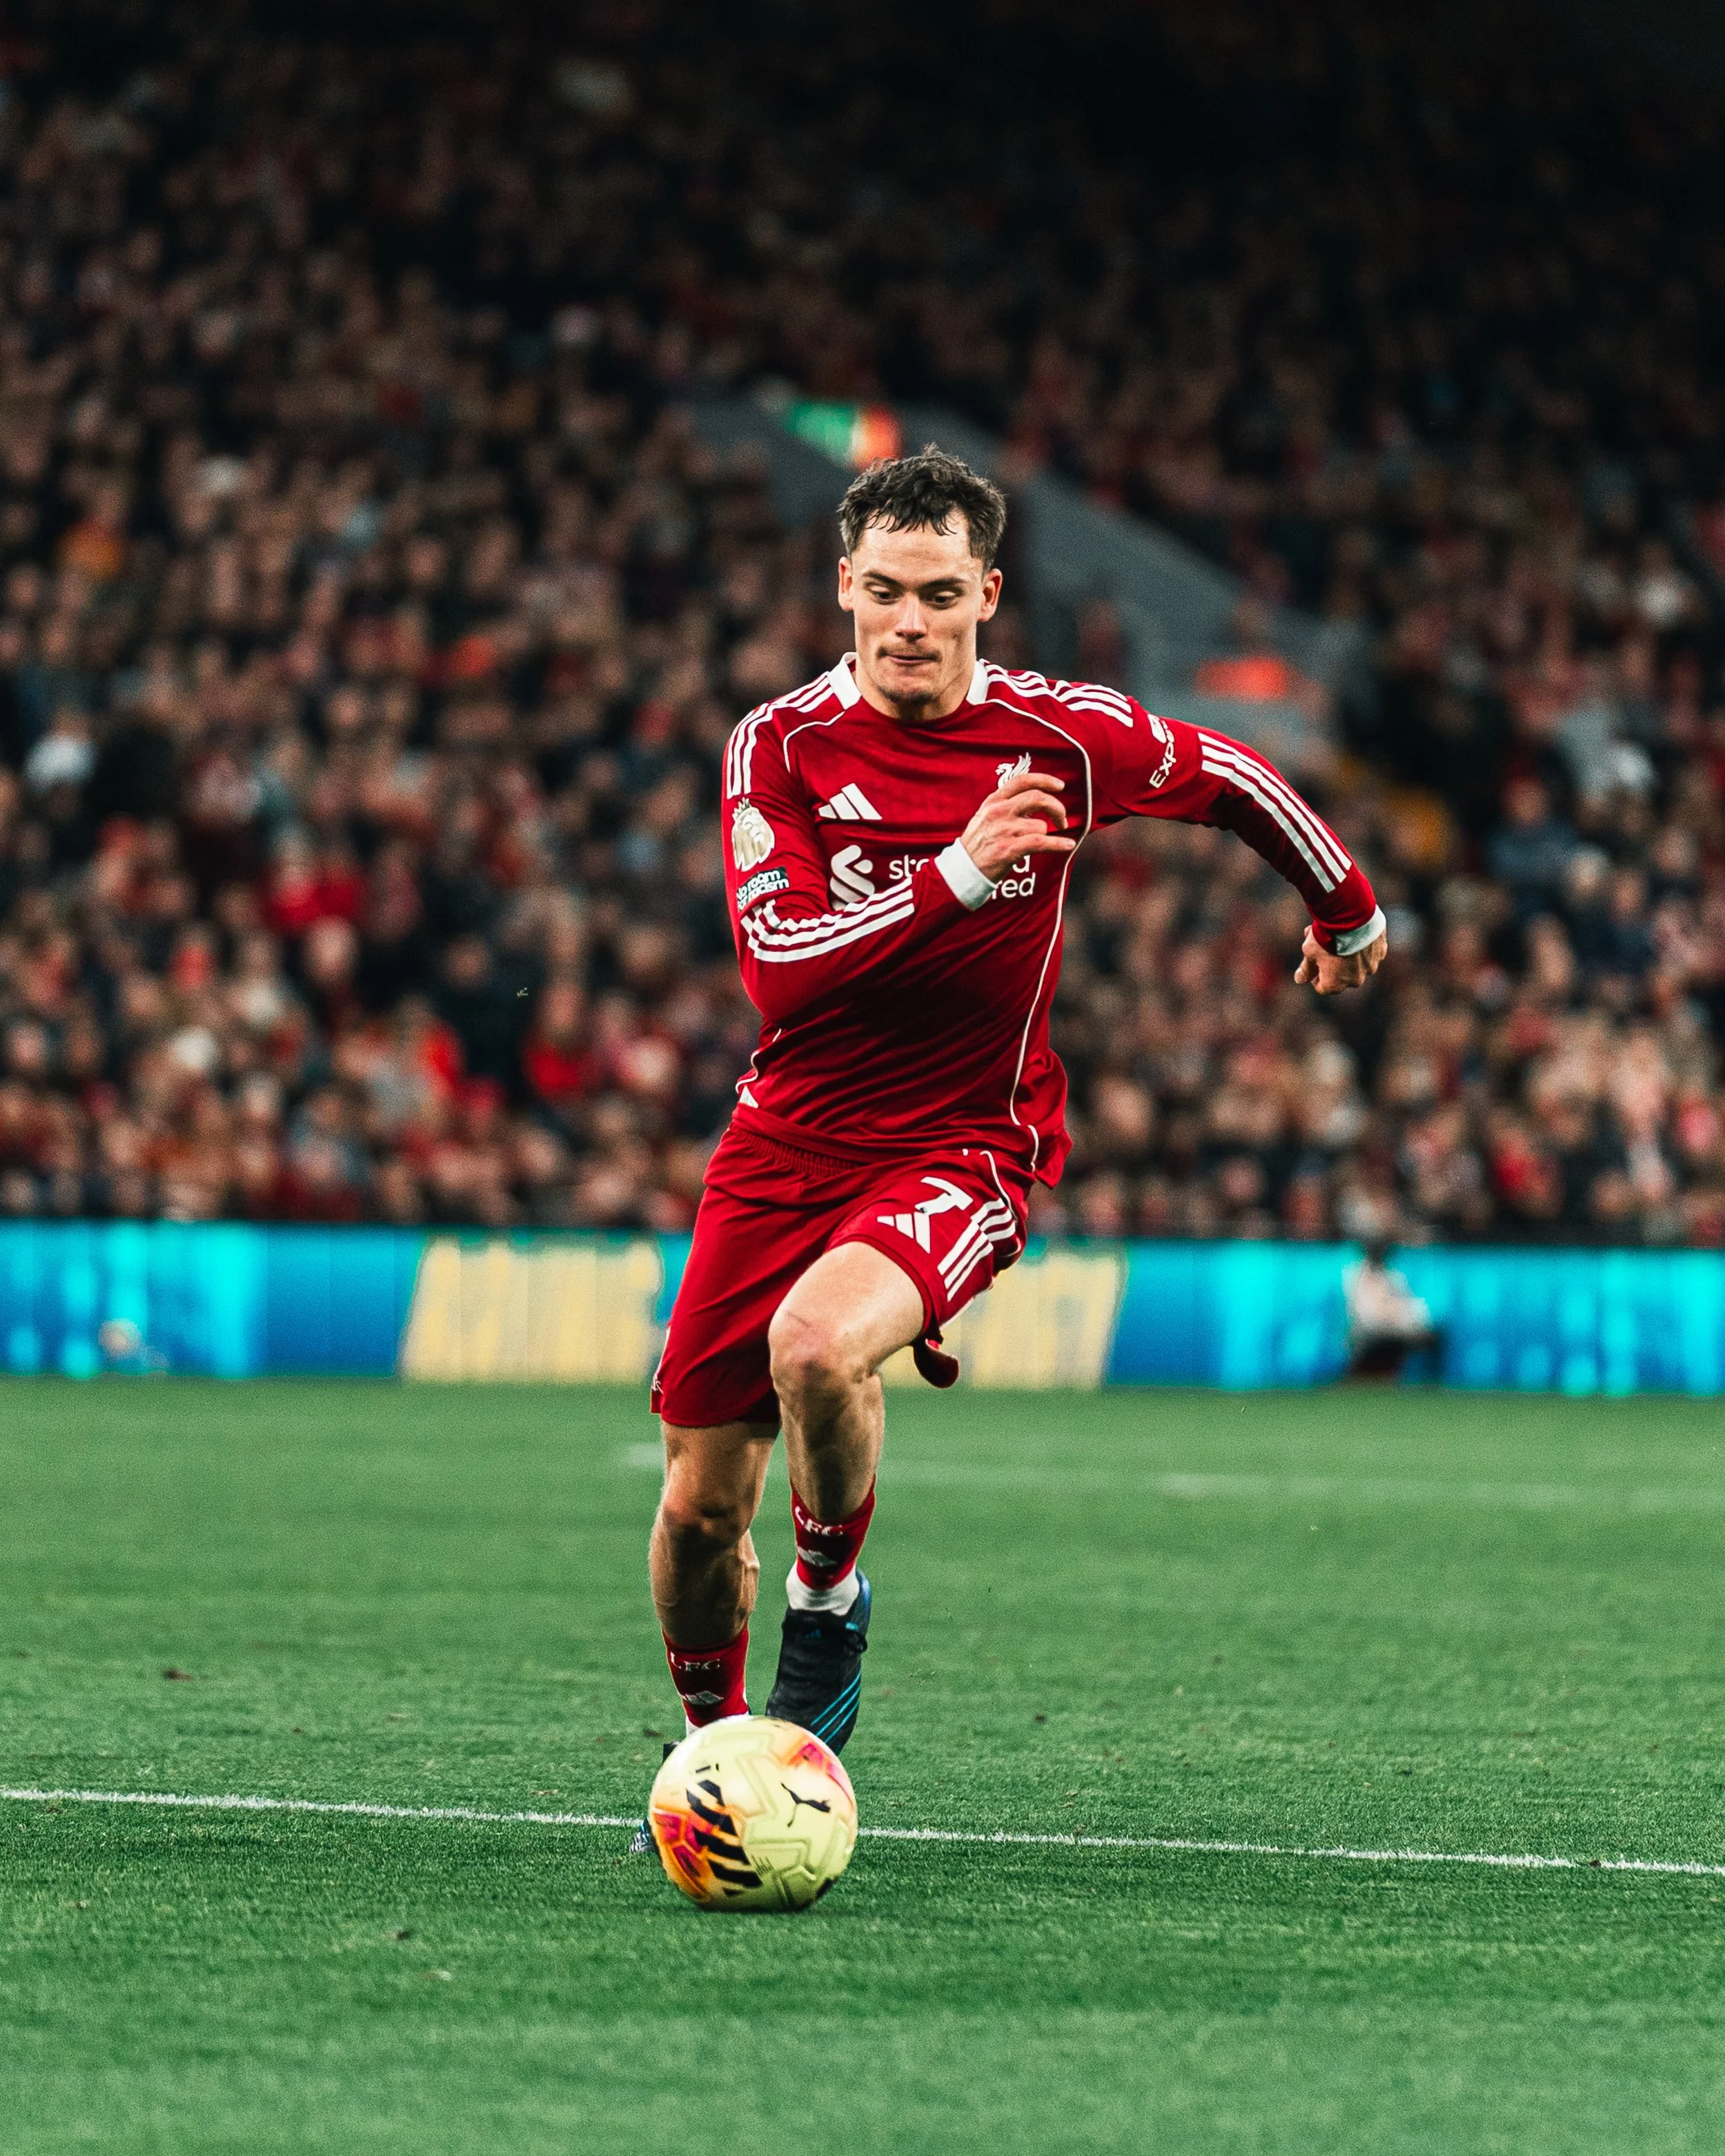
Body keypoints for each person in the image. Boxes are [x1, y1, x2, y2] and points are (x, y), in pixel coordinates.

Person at [648, 446, 1388, 1751]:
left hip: (961, 1143)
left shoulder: (1059, 736)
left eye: (940, 594)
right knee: (702, 1509)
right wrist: (959, 873)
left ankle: (827, 1596)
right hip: (783, 1140)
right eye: (885, 592)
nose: (910, 623)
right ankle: (715, 1754)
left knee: (819, 1349)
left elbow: (1228, 775)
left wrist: (1344, 901)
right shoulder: (779, 747)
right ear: (844, 588)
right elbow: (779, 975)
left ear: (989, 593)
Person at [1343, 1237, 1444, 1379]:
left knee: (1430, 1338)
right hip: (1368, 1333)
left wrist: (1406, 1325)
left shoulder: (1393, 1276)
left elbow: (1408, 1306)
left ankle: (1429, 1383)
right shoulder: (1356, 1275)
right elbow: (1365, 1315)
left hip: (1394, 1329)